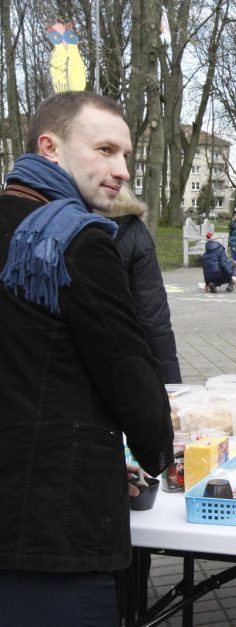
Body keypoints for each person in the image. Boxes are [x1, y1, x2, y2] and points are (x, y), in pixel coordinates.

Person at [0, 92, 174, 624]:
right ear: (49, 147)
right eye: (104, 150)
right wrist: (157, 453)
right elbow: (126, 368)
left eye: (125, 155)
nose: (120, 170)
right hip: (51, 523)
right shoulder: (75, 240)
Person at [97, 185, 182, 383]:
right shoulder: (137, 233)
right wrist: (171, 381)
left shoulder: (68, 228)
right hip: (125, 350)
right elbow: (152, 313)